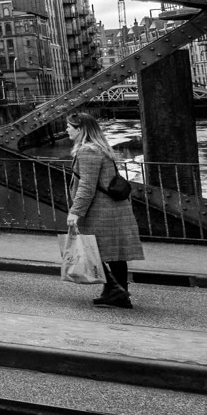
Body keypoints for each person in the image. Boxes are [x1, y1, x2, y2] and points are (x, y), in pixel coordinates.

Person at [66, 110, 143, 308]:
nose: (66, 129)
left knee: (92, 249)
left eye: (69, 126)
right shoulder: (99, 148)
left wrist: (75, 211)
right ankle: (118, 294)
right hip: (111, 208)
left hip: (101, 211)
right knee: (114, 254)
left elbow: (87, 185)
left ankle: (115, 290)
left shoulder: (87, 151)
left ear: (81, 129)